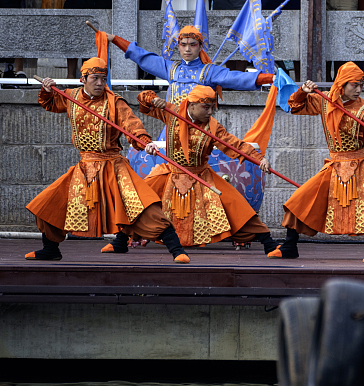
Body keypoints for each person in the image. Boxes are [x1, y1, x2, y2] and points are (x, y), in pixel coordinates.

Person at [25, 60, 190, 264]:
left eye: (103, 79)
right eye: (95, 78)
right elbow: (49, 103)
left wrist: (144, 142)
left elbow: (132, 125)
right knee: (49, 202)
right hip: (85, 167)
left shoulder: (115, 102)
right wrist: (47, 90)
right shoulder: (70, 96)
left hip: (113, 165)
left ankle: (176, 251)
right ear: (82, 79)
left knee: (142, 206)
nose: (100, 83)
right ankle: (50, 249)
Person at [269, 63, 364, 259]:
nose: (358, 90)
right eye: (354, 85)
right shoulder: (324, 100)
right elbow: (294, 106)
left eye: (361, 85)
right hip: (334, 165)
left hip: (361, 165)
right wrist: (302, 92)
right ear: (342, 84)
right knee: (299, 200)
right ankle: (289, 246)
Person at [136, 85, 279, 253]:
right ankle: (120, 242)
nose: (210, 112)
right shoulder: (171, 112)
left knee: (236, 204)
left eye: (213, 107)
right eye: (206, 107)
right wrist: (153, 100)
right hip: (170, 170)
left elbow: (234, 145)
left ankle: (268, 243)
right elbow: (143, 101)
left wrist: (258, 158)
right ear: (191, 104)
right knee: (140, 198)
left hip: (201, 174)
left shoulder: (213, 127)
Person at [102, 25, 275, 108]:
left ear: (200, 47)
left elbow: (239, 78)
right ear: (178, 46)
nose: (187, 48)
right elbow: (143, 57)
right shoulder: (171, 68)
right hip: (172, 130)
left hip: (200, 132)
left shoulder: (209, 71)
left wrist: (271, 78)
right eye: (183, 44)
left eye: (192, 44)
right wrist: (115, 39)